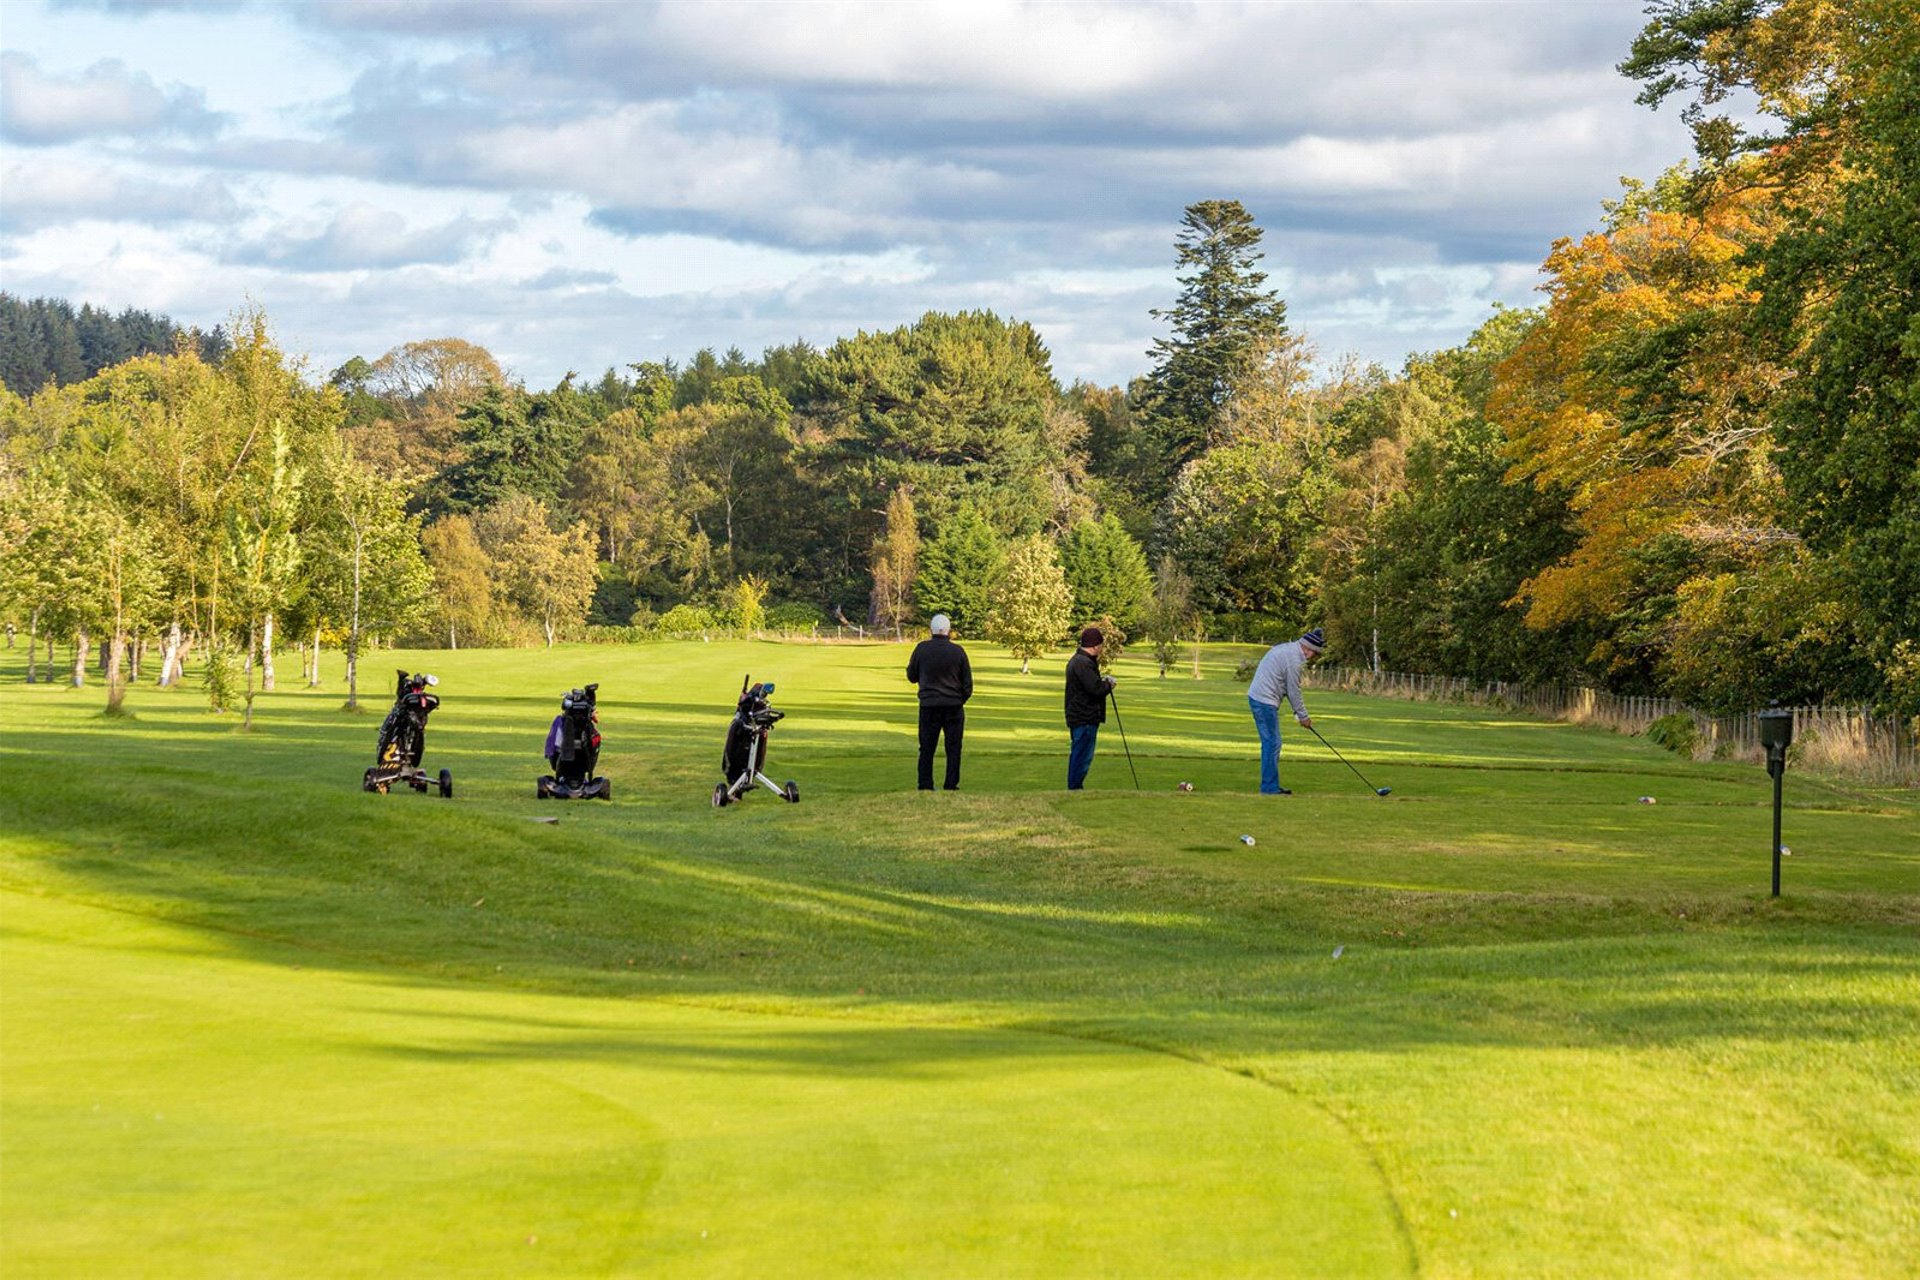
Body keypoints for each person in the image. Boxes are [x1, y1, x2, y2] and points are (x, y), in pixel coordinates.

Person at [1246, 627, 1324, 795]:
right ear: (1307, 648)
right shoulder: (1293, 660)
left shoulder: (1287, 649)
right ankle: (1268, 787)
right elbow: (1293, 691)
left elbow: (1285, 687)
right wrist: (1303, 716)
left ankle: (1270, 785)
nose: (1312, 657)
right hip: (1263, 700)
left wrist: (1297, 713)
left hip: (1259, 697)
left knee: (1272, 742)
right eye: (1313, 653)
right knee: (1272, 743)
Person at [906, 614, 972, 791]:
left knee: (926, 748)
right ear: (949, 630)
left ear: (931, 630)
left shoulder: (921, 649)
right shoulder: (958, 651)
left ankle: (925, 784)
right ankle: (951, 784)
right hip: (953, 707)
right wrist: (959, 700)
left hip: (929, 706)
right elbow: (967, 685)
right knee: (953, 748)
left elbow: (911, 676)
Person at [1064, 626, 1113, 790]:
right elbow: (1095, 689)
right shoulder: (1083, 663)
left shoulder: (1079, 660)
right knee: (1082, 755)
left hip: (1080, 715)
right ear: (1095, 645)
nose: (1101, 648)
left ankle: (1075, 786)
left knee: (1081, 754)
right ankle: (1075, 788)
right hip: (1084, 716)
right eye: (1100, 645)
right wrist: (1109, 685)